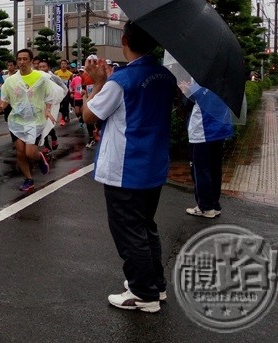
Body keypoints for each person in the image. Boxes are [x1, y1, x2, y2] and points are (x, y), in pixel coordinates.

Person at [82, 21, 177, 313]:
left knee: (129, 231)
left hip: (125, 167)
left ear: (124, 40)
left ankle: (143, 293)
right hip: (153, 164)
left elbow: (88, 115)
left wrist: (97, 82)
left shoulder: (121, 80)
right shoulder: (165, 76)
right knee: (146, 226)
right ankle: (154, 285)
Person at [0, 49, 62, 193]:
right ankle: (28, 179)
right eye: (20, 59)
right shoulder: (10, 81)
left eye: (25, 59)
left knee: (30, 153)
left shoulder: (40, 77)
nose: (22, 62)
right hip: (17, 121)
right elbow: (5, 100)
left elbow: (49, 95)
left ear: (31, 61)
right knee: (20, 152)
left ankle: (39, 157)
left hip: (35, 121)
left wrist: (48, 109)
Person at [183, 82, 234, 218]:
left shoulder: (198, 86)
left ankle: (205, 207)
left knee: (200, 170)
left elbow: (186, 105)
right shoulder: (224, 83)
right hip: (219, 130)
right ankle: (214, 205)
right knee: (215, 169)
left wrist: (186, 90)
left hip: (202, 132)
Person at [37, 58, 68, 152]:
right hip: (40, 104)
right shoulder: (37, 77)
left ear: (48, 67)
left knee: (48, 123)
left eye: (44, 66)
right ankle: (46, 146)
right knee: (42, 125)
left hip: (52, 105)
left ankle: (53, 138)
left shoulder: (54, 77)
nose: (42, 69)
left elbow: (65, 89)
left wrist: (58, 99)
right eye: (40, 67)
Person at [54, 59, 74, 126]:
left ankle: (63, 118)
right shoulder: (56, 73)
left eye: (65, 64)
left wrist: (71, 92)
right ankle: (66, 115)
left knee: (65, 104)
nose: (63, 65)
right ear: (60, 65)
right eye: (62, 64)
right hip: (59, 91)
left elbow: (72, 83)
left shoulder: (70, 74)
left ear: (67, 65)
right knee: (59, 105)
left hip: (66, 92)